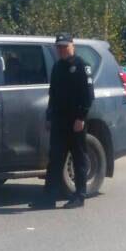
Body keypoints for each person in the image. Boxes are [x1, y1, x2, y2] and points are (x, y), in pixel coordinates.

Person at [31, 34, 95, 209]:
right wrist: (49, 117)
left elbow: (88, 96)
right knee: (55, 160)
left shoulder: (82, 66)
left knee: (78, 158)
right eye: (59, 47)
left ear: (72, 46)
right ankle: (48, 198)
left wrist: (81, 118)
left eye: (65, 46)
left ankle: (79, 196)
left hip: (75, 122)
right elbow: (53, 94)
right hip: (59, 120)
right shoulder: (57, 67)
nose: (61, 50)